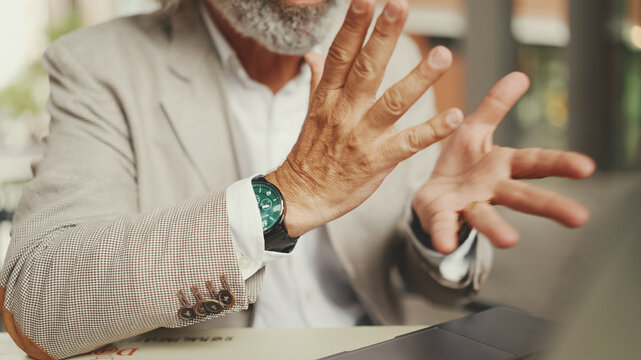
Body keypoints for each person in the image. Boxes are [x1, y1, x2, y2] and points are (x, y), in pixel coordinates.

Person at [0, 0, 595, 359]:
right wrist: (281, 199)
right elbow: (40, 304)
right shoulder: (100, 65)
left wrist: (435, 227)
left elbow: (432, 287)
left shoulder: (391, 54)